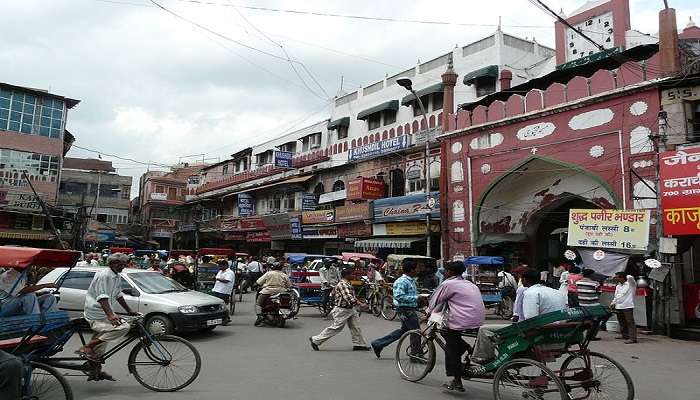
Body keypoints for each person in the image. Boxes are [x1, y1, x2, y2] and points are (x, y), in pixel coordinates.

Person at [472, 269, 567, 363]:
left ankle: (485, 361)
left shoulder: (530, 293)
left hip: (538, 335)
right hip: (557, 334)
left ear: (525, 279)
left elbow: (530, 320)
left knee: (484, 330)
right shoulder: (557, 292)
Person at [76, 253, 139, 381]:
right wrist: (110, 315)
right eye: (120, 264)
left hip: (104, 312)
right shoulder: (104, 275)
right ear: (112, 263)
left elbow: (118, 295)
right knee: (123, 327)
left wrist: (129, 310)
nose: (122, 267)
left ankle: (95, 371)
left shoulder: (115, 276)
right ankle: (88, 346)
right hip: (96, 313)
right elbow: (102, 296)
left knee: (102, 343)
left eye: (124, 265)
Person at [425, 261, 485, 392]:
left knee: (451, 348)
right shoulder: (470, 283)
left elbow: (435, 300)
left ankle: (456, 381)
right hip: (478, 319)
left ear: (450, 272)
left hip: (462, 319)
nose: (445, 273)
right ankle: (464, 346)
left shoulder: (448, 284)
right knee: (448, 333)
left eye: (446, 271)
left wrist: (427, 313)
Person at [309, 268, 369, 351]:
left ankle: (359, 344)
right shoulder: (342, 284)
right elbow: (349, 298)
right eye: (352, 274)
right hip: (342, 310)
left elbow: (352, 297)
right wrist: (361, 304)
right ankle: (316, 340)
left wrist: (358, 304)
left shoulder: (347, 283)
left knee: (356, 327)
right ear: (347, 275)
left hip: (350, 309)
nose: (353, 275)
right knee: (336, 327)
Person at [370, 260, 420, 358]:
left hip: (409, 308)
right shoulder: (402, 281)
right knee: (416, 331)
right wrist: (417, 298)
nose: (418, 271)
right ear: (411, 270)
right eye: (416, 269)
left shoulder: (411, 281)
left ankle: (378, 343)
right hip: (405, 309)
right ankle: (416, 354)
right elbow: (399, 296)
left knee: (404, 331)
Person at [254, 262, 292, 326]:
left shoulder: (268, 273)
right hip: (281, 292)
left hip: (267, 291)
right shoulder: (284, 275)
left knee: (258, 303)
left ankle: (260, 316)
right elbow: (289, 285)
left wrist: (256, 284)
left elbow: (258, 282)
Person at [611, 272, 637, 344]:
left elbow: (631, 278)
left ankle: (632, 338)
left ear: (622, 278)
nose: (615, 278)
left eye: (617, 277)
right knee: (621, 322)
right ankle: (625, 335)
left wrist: (626, 275)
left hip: (627, 306)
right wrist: (613, 303)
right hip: (618, 306)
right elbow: (616, 296)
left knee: (629, 322)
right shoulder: (618, 286)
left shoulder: (631, 284)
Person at [212, 260, 235, 325]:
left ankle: (226, 318)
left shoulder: (230, 272)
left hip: (224, 291)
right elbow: (217, 278)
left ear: (225, 266)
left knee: (221, 305)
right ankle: (224, 318)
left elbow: (227, 281)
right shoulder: (220, 271)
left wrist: (217, 279)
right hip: (217, 289)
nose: (219, 267)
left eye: (220, 266)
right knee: (218, 305)